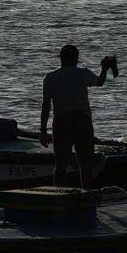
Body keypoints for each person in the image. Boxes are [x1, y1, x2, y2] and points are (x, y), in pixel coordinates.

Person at [40, 45, 115, 189]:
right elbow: (99, 82)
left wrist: (43, 130)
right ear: (76, 58)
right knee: (85, 163)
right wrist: (105, 68)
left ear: (60, 58)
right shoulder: (83, 73)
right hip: (82, 120)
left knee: (61, 164)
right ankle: (87, 197)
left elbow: (46, 106)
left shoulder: (50, 78)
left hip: (62, 121)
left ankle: (59, 196)